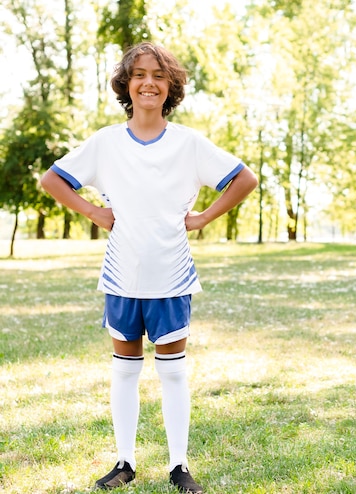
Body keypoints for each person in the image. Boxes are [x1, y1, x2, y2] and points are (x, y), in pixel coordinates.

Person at [40, 41, 258, 493]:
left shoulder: (188, 143)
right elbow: (52, 180)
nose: (148, 83)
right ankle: (125, 462)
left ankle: (179, 465)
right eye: (139, 74)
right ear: (127, 83)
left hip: (172, 276)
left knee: (173, 371)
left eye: (159, 75)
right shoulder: (104, 143)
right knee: (125, 370)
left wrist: (202, 218)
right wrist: (95, 212)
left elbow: (244, 178)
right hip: (122, 276)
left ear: (171, 86)